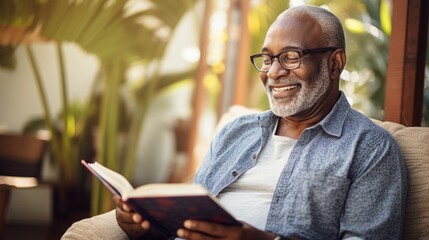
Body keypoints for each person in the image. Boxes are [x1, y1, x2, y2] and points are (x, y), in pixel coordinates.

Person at [115, 5, 408, 240]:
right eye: (267, 59)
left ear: (335, 63)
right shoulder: (235, 132)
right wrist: (143, 226)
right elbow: (184, 221)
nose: (274, 72)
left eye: (291, 57)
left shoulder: (371, 149)